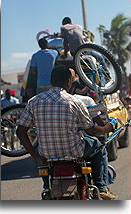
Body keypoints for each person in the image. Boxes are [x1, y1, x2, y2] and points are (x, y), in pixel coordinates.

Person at [16, 65, 117, 200]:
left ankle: (47, 188)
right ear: (68, 81)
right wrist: (108, 127)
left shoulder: (34, 101)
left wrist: (36, 156)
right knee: (99, 146)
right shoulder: (75, 102)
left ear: (52, 80)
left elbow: (20, 131)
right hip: (75, 152)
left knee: (43, 163)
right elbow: (91, 130)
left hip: (48, 155)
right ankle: (101, 187)